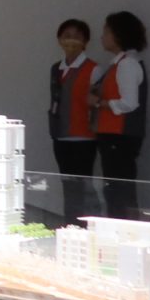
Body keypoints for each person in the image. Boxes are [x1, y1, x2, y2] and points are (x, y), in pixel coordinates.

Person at [92, 10, 149, 219]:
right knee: (116, 187)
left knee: (119, 188)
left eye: (106, 31)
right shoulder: (120, 63)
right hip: (115, 134)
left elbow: (129, 103)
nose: (102, 36)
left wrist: (99, 102)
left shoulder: (127, 64)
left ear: (119, 35)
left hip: (120, 134)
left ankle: (123, 224)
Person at [47, 18, 98, 216]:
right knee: (67, 185)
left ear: (85, 41)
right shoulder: (56, 69)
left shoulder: (94, 69)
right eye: (66, 36)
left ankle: (83, 223)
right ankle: (70, 223)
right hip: (60, 134)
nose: (71, 40)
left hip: (84, 136)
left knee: (83, 186)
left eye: (77, 36)